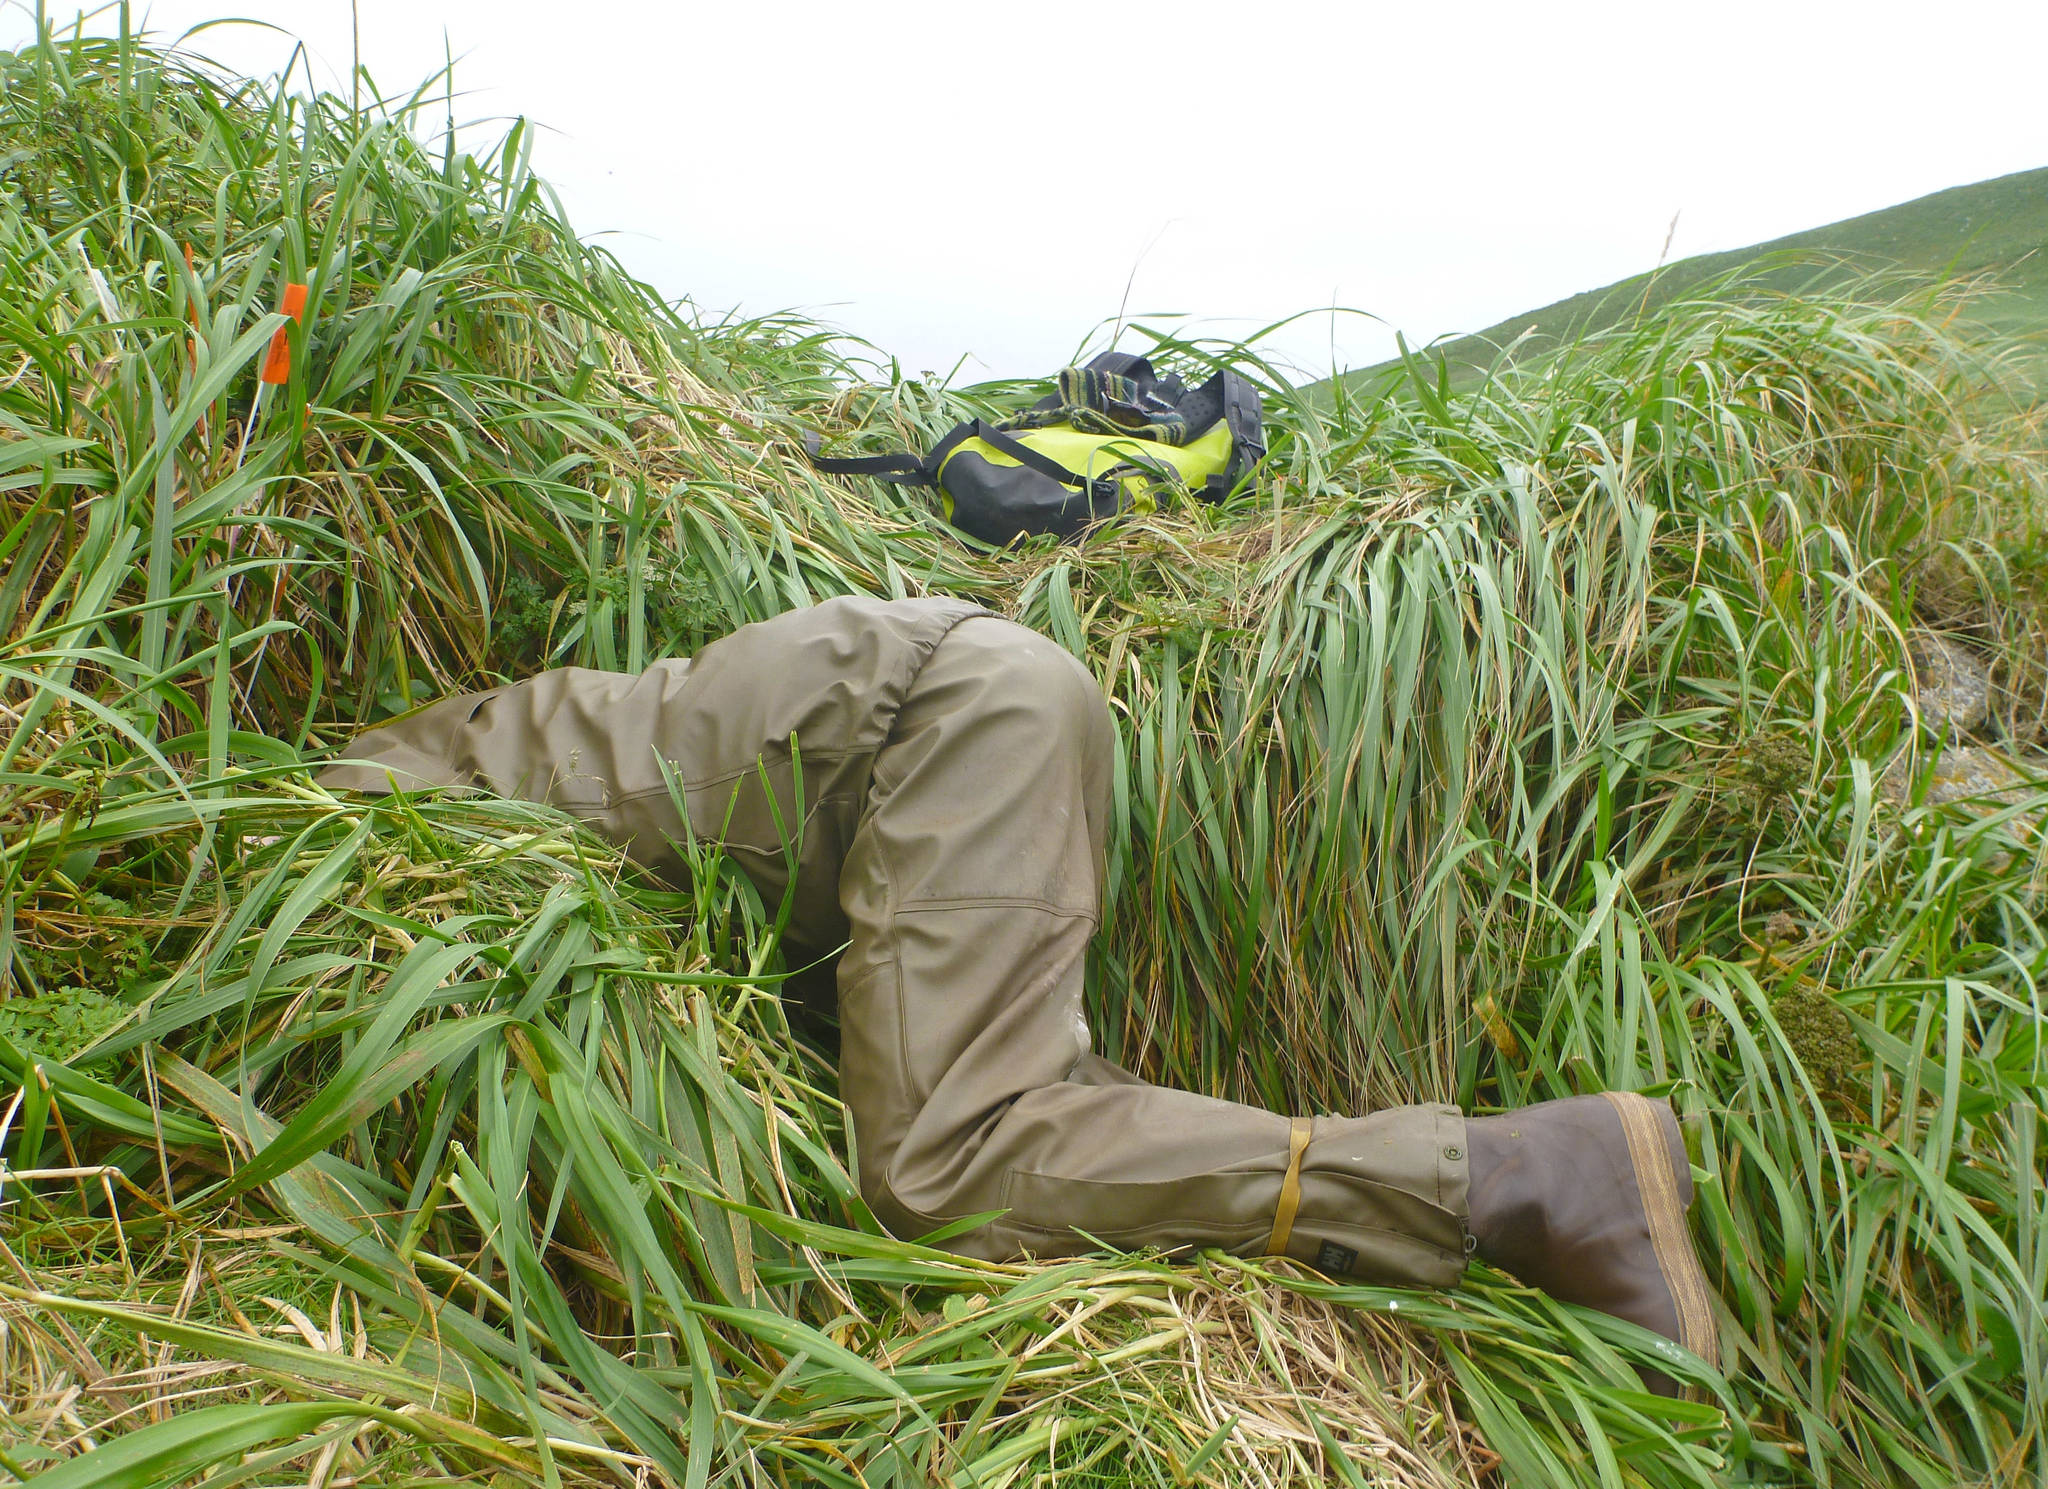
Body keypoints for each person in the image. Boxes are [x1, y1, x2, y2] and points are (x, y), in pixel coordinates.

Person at [319, 595, 1719, 1393]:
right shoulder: (512, 733)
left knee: (943, 1156)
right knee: (1042, 1115)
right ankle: (1455, 1241)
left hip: (943, 725)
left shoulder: (353, 803)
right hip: (963, 702)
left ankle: (1521, 1175)